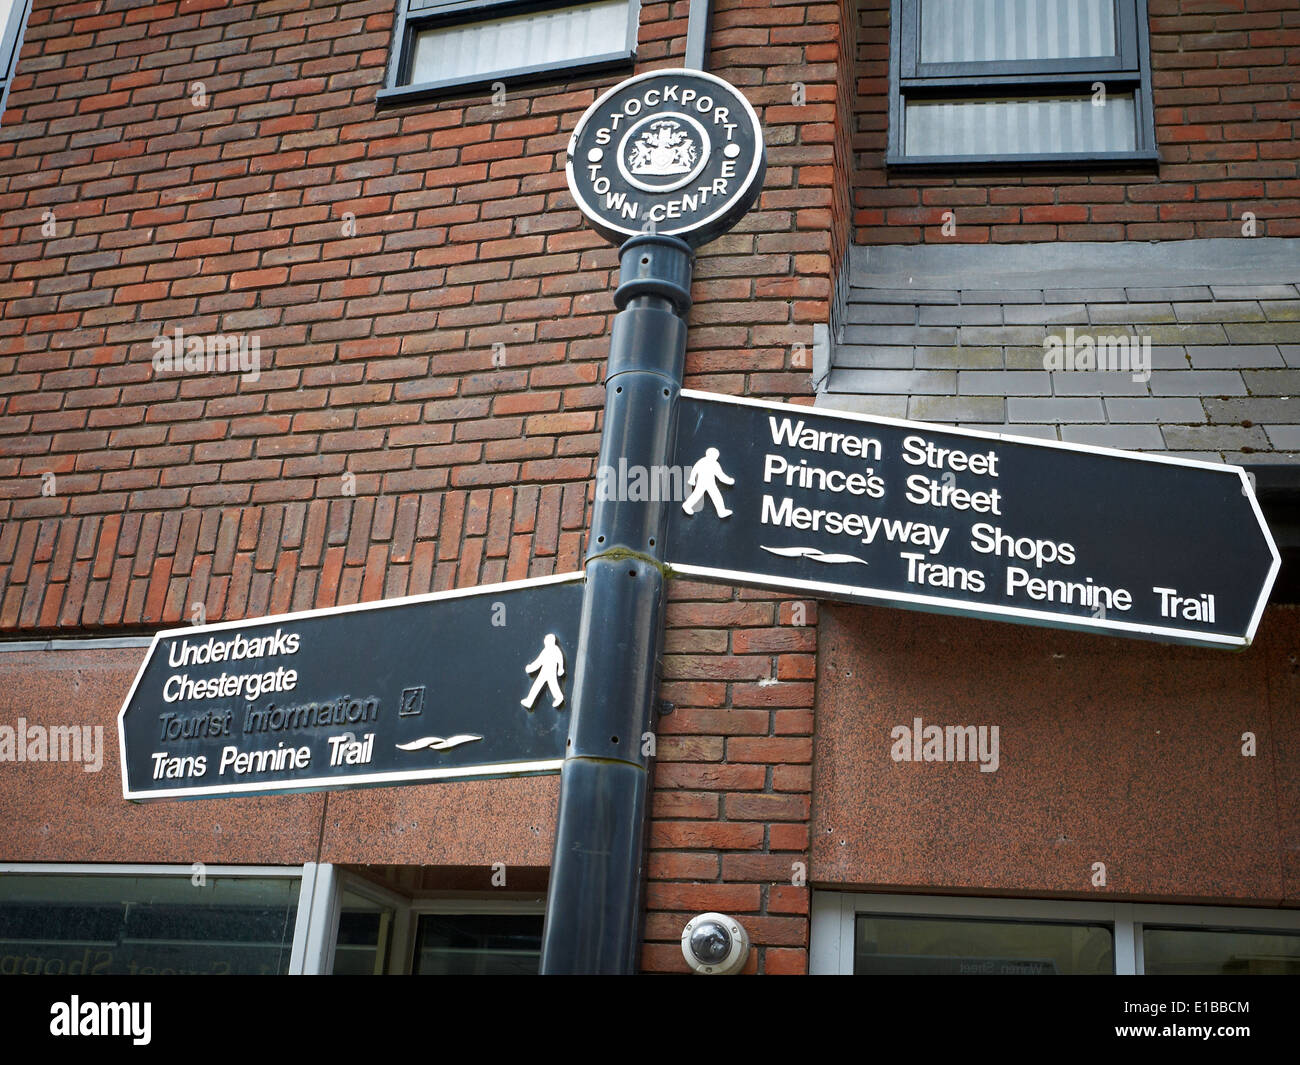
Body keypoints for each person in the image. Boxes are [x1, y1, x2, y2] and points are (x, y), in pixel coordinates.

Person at [682, 447, 734, 518]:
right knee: (712, 495)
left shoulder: (704, 461)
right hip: (705, 483)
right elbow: (720, 476)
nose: (716, 457)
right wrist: (729, 480)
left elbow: (695, 469)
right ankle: (687, 505)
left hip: (707, 483)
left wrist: (692, 479)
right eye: (716, 456)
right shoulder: (713, 463)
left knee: (712, 495)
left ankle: (721, 511)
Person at [522, 633, 566, 709]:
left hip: (551, 672)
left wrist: (560, 669)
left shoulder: (555, 650)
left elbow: (560, 659)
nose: (545, 641)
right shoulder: (545, 651)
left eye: (546, 640)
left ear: (550, 641)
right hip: (544, 672)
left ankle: (559, 698)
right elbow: (539, 661)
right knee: (537, 686)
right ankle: (529, 701)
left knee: (553, 685)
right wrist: (531, 668)